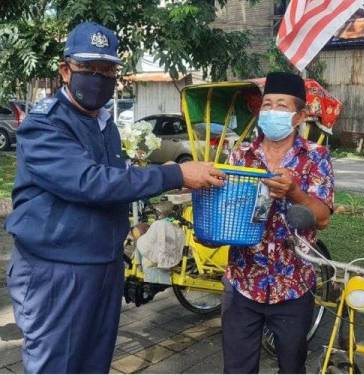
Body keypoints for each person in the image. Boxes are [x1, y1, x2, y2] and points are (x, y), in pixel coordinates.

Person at [4, 21, 225, 373]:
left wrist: (137, 224)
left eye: (107, 70)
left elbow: (115, 187)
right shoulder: (45, 124)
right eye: (87, 69)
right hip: (56, 270)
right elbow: (90, 182)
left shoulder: (102, 124)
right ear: (65, 70)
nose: (98, 78)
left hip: (103, 266)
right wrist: (175, 173)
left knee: (95, 364)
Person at [222, 72, 335, 373]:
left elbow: (322, 218)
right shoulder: (240, 156)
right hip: (243, 281)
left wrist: (295, 191)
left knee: (292, 366)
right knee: (236, 368)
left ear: (298, 116)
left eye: (281, 106)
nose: (272, 111)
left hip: (293, 285)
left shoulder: (316, 157)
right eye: (267, 104)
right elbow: (226, 208)